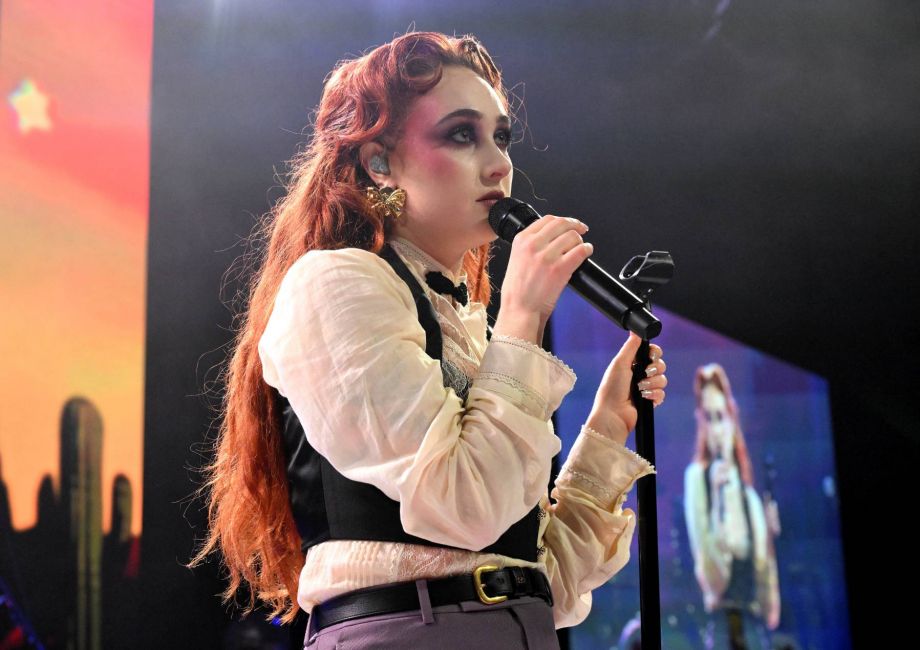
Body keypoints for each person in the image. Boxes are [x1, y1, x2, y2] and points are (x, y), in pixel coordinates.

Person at [190, 32, 669, 649]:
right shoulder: (336, 284)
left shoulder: (465, 323)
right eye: (461, 134)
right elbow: (464, 506)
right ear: (379, 161)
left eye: (501, 136)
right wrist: (524, 311)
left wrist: (608, 422)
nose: (498, 164)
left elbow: (541, 576)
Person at [683, 364, 781, 650]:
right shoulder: (697, 480)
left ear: (732, 420)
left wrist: (771, 540)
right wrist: (717, 506)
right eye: (709, 418)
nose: (716, 429)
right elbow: (712, 580)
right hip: (722, 629)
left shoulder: (750, 498)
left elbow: (770, 607)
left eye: (721, 417)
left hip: (755, 631)